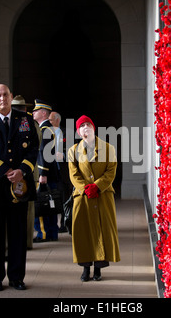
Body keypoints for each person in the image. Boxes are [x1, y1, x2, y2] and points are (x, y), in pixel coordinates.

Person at [0, 84, 39, 292]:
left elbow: (33, 150)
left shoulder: (26, 120)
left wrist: (22, 170)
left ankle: (16, 277)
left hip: (18, 187)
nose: (2, 98)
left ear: (11, 97)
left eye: (5, 95)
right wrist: (4, 171)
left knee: (18, 235)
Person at [68, 115, 120, 282]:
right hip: (82, 197)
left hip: (102, 195)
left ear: (93, 128)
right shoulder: (73, 150)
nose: (85, 128)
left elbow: (111, 171)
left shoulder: (108, 148)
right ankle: (85, 268)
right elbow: (73, 174)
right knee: (83, 233)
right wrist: (86, 188)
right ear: (78, 131)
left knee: (102, 231)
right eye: (81, 126)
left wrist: (97, 186)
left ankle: (98, 269)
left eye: (88, 125)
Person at [11, 95, 40, 250]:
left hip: (26, 171)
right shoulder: (31, 122)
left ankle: (25, 241)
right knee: (26, 209)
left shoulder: (29, 123)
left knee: (26, 208)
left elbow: (36, 144)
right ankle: (26, 241)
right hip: (25, 172)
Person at [32, 100, 60, 243]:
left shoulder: (45, 130)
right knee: (50, 204)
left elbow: (44, 153)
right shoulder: (47, 129)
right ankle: (52, 232)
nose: (33, 113)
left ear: (43, 113)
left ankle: (43, 233)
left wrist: (42, 174)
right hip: (50, 173)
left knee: (42, 204)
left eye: (36, 111)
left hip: (45, 174)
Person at [49, 111, 72, 233]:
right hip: (51, 171)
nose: (49, 122)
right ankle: (53, 225)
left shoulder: (67, 132)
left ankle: (64, 223)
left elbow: (74, 150)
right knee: (52, 198)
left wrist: (63, 155)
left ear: (57, 120)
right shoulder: (46, 132)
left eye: (51, 119)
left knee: (64, 197)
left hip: (63, 170)